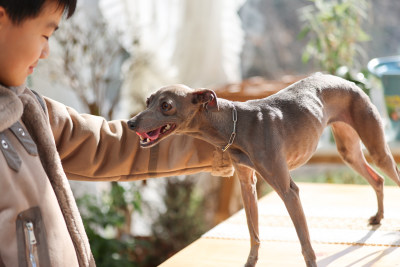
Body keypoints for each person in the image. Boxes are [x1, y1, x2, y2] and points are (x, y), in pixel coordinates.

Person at [0, 0, 233, 266]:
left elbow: (109, 146)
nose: (46, 52)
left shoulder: (30, 112)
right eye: (45, 34)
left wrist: (226, 141)